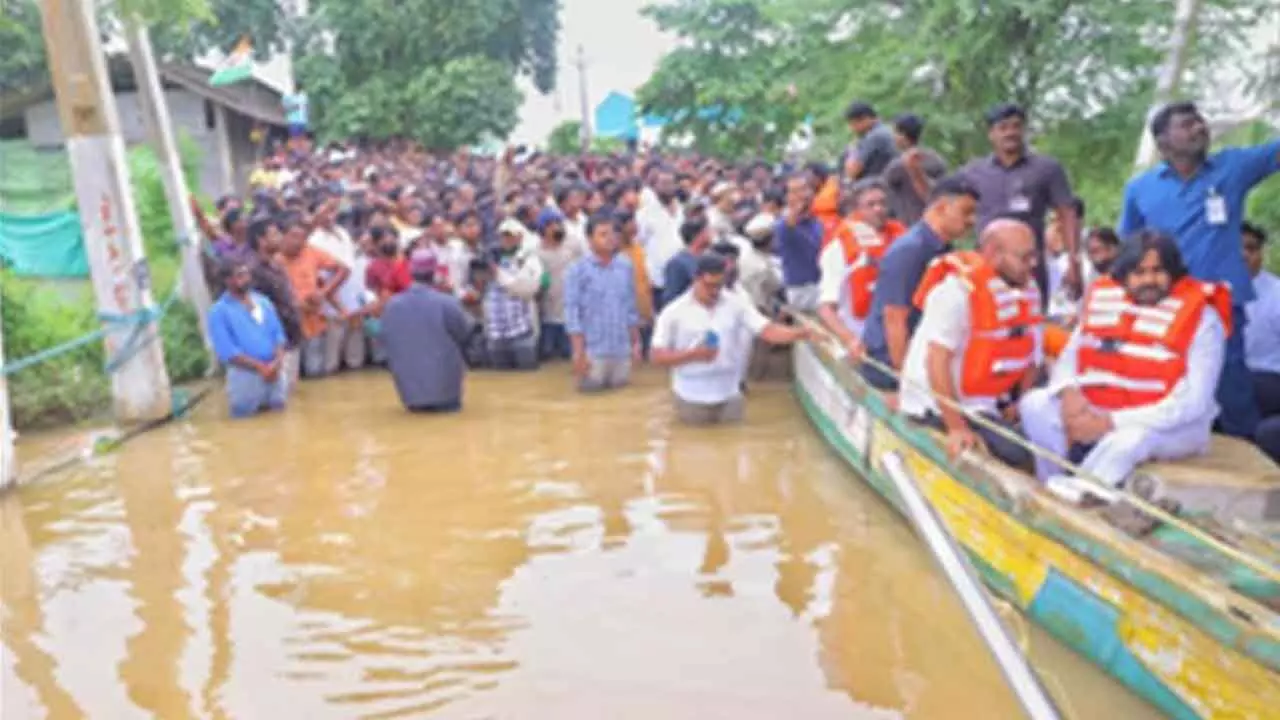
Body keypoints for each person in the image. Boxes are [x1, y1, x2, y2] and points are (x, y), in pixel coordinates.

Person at [1019, 231, 1230, 489]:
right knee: (1034, 404)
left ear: (1174, 272)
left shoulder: (1203, 318)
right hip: (1101, 408)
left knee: (1130, 440)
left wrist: (1110, 423)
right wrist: (1068, 393)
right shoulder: (1104, 300)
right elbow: (1070, 357)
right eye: (1139, 272)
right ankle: (1052, 480)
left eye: (1158, 271)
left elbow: (1193, 403)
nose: (1149, 280)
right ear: (1123, 275)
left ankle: (1082, 491)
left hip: (1167, 425)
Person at [1119, 101, 1278, 440]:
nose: (1199, 128)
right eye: (1187, 124)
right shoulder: (1141, 188)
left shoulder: (1232, 167)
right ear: (1163, 143)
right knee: (1168, 384)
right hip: (1167, 306)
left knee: (1231, 387)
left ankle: (1251, 473)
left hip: (1223, 304)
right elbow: (1127, 252)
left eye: (1200, 122)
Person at [901, 218, 1041, 468]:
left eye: (1034, 256)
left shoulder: (1027, 292)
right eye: (1024, 257)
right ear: (993, 253)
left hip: (984, 401)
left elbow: (1031, 352)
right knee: (1019, 456)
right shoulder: (956, 293)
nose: (1033, 264)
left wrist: (1018, 402)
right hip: (934, 402)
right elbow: (936, 361)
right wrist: (956, 427)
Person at [650, 254, 809, 425]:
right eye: (709, 286)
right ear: (696, 279)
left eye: (719, 286)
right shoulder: (673, 313)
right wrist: (693, 354)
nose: (714, 292)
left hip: (730, 395)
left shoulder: (736, 304)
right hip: (692, 398)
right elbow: (657, 357)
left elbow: (766, 330)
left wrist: (801, 333)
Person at [858, 175, 981, 391]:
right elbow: (894, 319)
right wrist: (906, 382)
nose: (972, 220)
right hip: (887, 362)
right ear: (942, 207)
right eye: (966, 212)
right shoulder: (910, 250)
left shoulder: (943, 250)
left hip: (918, 351)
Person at [961, 103, 1080, 309]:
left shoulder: (1046, 168)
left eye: (1016, 126)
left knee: (1030, 326)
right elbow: (953, 208)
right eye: (1003, 127)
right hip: (985, 265)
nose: (1010, 133)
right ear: (991, 134)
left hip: (1029, 266)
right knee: (984, 323)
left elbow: (1067, 213)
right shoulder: (974, 172)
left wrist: (1073, 261)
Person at [816, 178, 908, 354]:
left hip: (897, 336)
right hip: (861, 339)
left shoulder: (901, 241)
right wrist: (850, 340)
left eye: (882, 203)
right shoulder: (839, 249)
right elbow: (826, 309)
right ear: (856, 209)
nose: (878, 209)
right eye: (870, 204)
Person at [379, 250, 475, 413]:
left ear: (411, 272)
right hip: (446, 393)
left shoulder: (391, 305)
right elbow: (465, 331)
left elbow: (384, 340)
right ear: (434, 273)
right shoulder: (447, 303)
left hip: (410, 396)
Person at [564, 215, 643, 393]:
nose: (610, 238)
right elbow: (572, 314)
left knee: (621, 397)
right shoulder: (577, 270)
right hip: (593, 351)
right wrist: (579, 353)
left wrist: (636, 343)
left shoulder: (625, 266)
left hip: (621, 349)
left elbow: (630, 308)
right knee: (590, 405)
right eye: (603, 234)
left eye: (613, 233)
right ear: (590, 239)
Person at [207, 261, 289, 419]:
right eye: (240, 275)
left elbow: (278, 335)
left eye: (246, 274)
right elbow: (228, 351)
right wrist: (261, 368)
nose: (246, 278)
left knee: (280, 416)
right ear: (227, 281)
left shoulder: (263, 302)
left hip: (275, 371)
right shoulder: (219, 311)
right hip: (244, 375)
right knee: (245, 422)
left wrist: (277, 362)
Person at [483, 219, 545, 370]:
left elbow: (527, 289)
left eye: (511, 236)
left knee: (528, 379)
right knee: (500, 381)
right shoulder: (489, 259)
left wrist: (498, 274)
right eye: (503, 236)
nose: (507, 240)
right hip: (496, 332)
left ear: (520, 237)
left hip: (522, 330)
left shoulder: (530, 260)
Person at [881, 113, 949, 224]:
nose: (893, 137)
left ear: (902, 135)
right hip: (938, 225)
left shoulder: (897, 166)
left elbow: (884, 192)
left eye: (895, 133)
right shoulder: (936, 159)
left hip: (908, 227)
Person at [1243, 222, 1280, 420]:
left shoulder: (1276, 294)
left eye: (1251, 248)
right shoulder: (1210, 290)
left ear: (1262, 252)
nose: (1244, 255)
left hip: (1268, 379)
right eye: (1237, 248)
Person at [774, 173, 824, 311]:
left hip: (819, 284)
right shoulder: (783, 225)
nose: (803, 194)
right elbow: (788, 223)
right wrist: (796, 206)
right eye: (796, 191)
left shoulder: (816, 222)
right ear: (787, 197)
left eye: (805, 189)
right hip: (802, 291)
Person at [662, 217, 713, 306]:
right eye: (705, 232)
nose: (710, 235)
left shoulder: (709, 258)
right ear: (696, 236)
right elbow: (672, 297)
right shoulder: (677, 263)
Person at [842, 101, 899, 181]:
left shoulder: (875, 136)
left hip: (877, 187)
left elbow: (852, 172)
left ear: (865, 119)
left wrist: (853, 148)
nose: (852, 129)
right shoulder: (887, 130)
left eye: (853, 124)